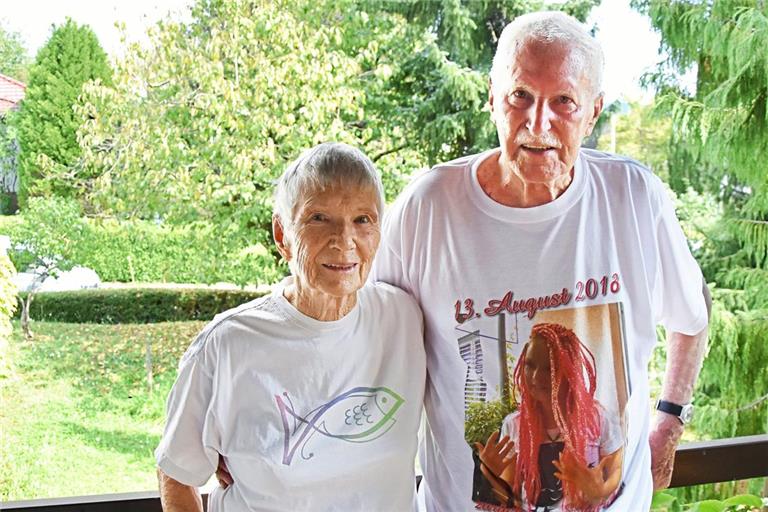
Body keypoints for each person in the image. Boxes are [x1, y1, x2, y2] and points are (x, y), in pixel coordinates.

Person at [371, 10, 711, 512]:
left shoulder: (634, 197)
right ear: (492, 96)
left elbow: (692, 315)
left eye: (564, 102)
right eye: (520, 96)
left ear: (593, 112)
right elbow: (362, 340)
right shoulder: (428, 208)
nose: (538, 123)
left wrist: (670, 418)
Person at [155, 142, 426, 512]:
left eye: (363, 219)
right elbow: (177, 472)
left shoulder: (405, 318)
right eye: (319, 218)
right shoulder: (228, 344)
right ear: (283, 234)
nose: (344, 240)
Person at [474, 323, 623, 511]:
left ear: (570, 369)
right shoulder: (514, 424)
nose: (536, 376)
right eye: (530, 365)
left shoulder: (598, 417)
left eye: (549, 368)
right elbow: (509, 500)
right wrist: (489, 475)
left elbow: (616, 473)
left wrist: (598, 491)